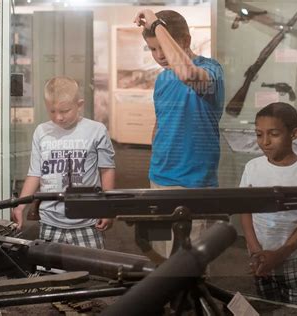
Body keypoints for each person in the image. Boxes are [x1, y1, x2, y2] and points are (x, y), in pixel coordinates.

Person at [133, 9, 225, 258]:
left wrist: (156, 22)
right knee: (161, 258)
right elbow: (160, 122)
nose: (159, 56)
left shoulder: (211, 70)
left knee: (190, 265)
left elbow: (187, 74)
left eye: (163, 47)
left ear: (185, 41)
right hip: (159, 180)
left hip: (194, 184)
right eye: (153, 49)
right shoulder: (162, 80)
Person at [12, 76, 116, 249]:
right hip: (50, 220)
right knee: (50, 272)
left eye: (65, 111)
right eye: (52, 111)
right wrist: (20, 206)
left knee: (92, 270)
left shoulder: (96, 131)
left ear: (79, 104)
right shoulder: (41, 132)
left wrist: (108, 208)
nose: (58, 117)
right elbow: (35, 173)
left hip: (87, 220)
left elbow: (107, 170)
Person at [240, 102, 297, 306]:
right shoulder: (252, 167)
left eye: (274, 134)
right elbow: (246, 211)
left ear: (294, 134)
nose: (265, 142)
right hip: (261, 257)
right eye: (259, 134)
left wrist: (280, 254)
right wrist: (255, 250)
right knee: (267, 305)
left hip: (296, 259)